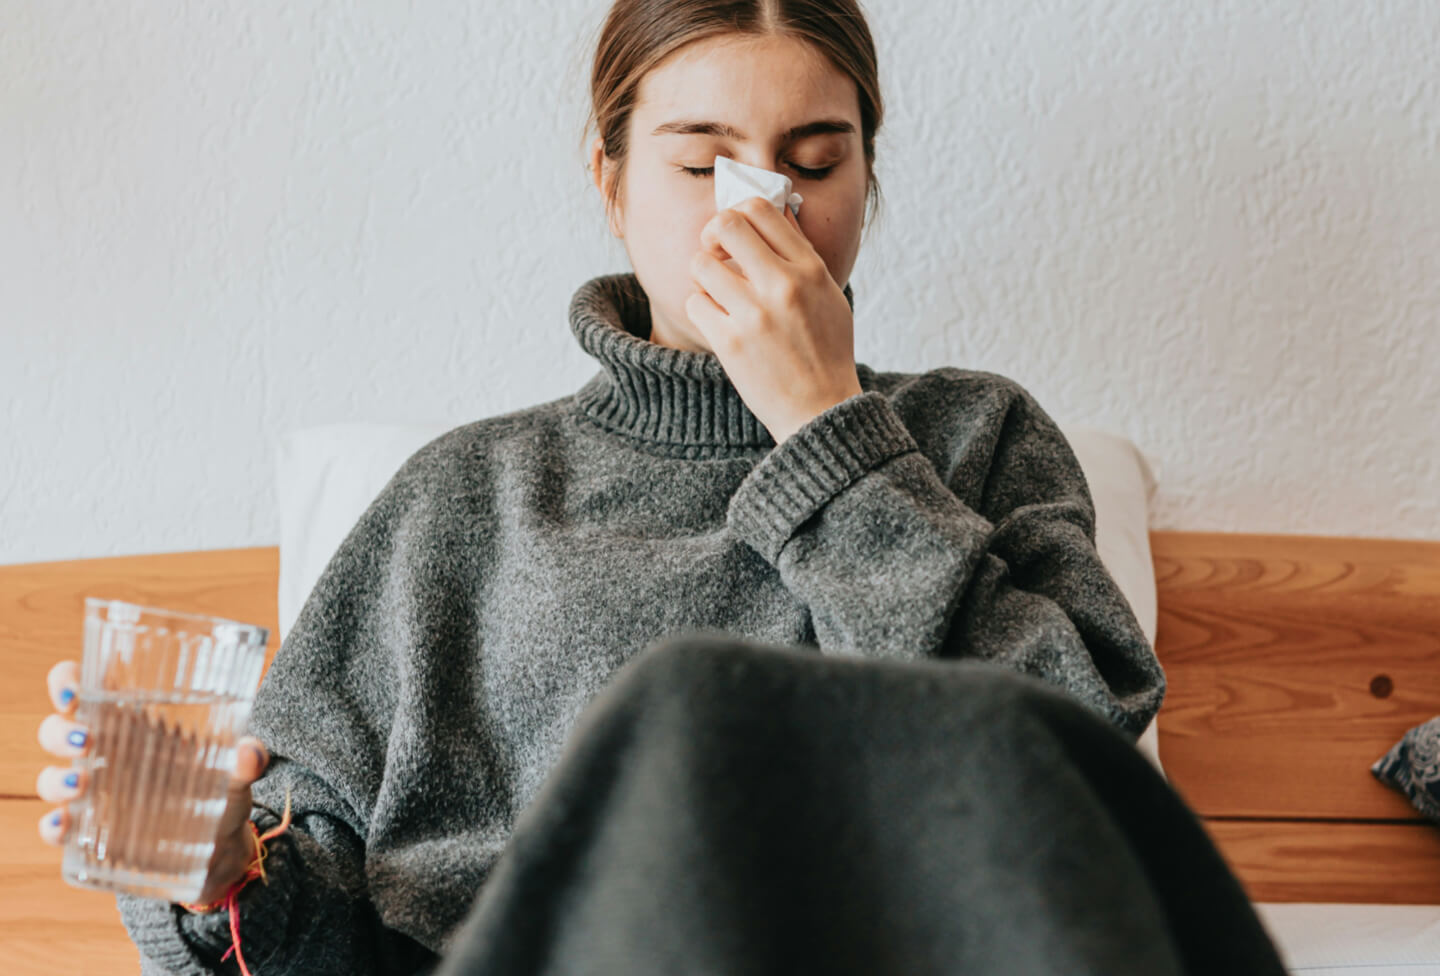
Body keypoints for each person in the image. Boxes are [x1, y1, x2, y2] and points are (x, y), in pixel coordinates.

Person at [33, 1, 1288, 973]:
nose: (767, 211)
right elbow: (332, 947)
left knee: (699, 709)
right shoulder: (460, 501)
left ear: (867, 179)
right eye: (703, 165)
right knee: (685, 711)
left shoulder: (977, 435)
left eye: (815, 160)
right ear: (612, 182)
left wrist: (828, 428)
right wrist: (220, 880)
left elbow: (1072, 775)